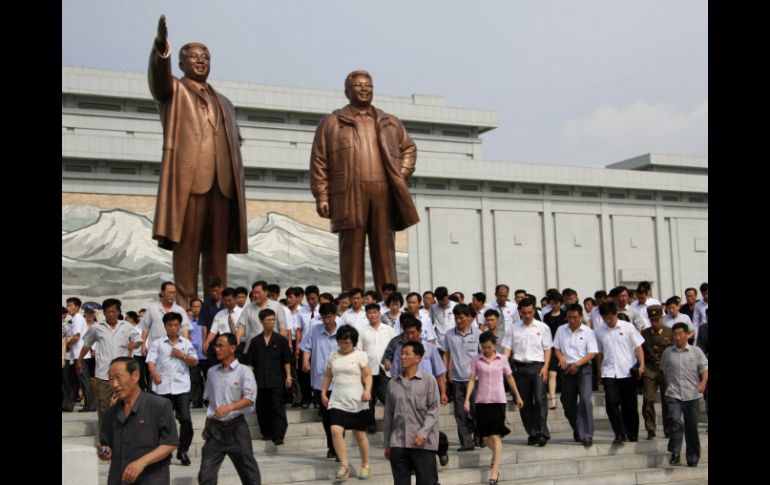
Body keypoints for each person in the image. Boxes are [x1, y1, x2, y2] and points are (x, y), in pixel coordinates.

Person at [147, 15, 248, 308]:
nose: (200, 61)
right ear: (181, 64)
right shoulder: (174, 91)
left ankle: (219, 309)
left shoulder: (225, 102)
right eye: (193, 57)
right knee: (188, 251)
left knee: (217, 255)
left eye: (205, 57)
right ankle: (186, 308)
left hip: (222, 184)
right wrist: (161, 49)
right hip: (190, 183)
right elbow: (158, 80)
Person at [310, 69, 418, 292]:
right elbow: (319, 161)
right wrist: (322, 195)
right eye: (358, 85)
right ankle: (352, 301)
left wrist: (400, 175)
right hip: (349, 193)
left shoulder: (390, 122)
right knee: (351, 249)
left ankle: (389, 302)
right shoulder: (332, 123)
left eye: (368, 85)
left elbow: (409, 148)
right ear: (347, 91)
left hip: (383, 192)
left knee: (384, 249)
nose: (364, 89)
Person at [98, 356, 178, 485]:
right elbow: (107, 445)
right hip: (118, 479)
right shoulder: (110, 413)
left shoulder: (159, 405)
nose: (114, 384)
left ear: (135, 376)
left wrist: (142, 462)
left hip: (151, 479)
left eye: (119, 378)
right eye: (111, 379)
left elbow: (170, 443)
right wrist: (105, 452)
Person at [198, 333, 261, 485]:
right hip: (216, 430)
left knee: (249, 473)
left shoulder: (244, 371)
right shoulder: (212, 372)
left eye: (221, 346)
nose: (217, 349)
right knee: (205, 475)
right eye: (216, 346)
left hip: (237, 428)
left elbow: (250, 398)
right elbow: (211, 401)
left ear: (232, 348)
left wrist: (230, 407)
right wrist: (207, 425)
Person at [464, 331, 524, 485]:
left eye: (489, 347)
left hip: (498, 401)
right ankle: (495, 455)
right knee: (485, 437)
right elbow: (472, 380)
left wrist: (517, 395)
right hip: (482, 401)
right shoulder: (476, 360)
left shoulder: (503, 359)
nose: (486, 350)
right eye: (483, 347)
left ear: (495, 345)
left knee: (496, 436)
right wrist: (466, 399)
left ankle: (494, 472)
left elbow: (509, 377)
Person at [78, 299, 143, 433]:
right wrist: (79, 360)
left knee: (124, 405)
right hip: (103, 375)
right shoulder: (97, 327)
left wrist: (133, 345)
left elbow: (138, 340)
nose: (111, 314)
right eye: (108, 312)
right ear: (104, 313)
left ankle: (123, 434)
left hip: (123, 375)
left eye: (114, 311)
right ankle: (105, 438)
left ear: (118, 312)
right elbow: (86, 344)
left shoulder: (126, 326)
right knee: (104, 407)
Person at [383, 341, 440, 485]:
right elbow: (388, 415)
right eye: (401, 354)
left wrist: (423, 432)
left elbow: (433, 410)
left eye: (407, 354)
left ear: (418, 358)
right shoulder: (393, 383)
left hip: (423, 444)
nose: (402, 357)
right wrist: (387, 444)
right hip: (398, 443)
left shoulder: (429, 381)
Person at [145, 312, 198, 466]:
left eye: (176, 325)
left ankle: (183, 450)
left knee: (186, 420)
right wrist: (155, 375)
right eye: (170, 325)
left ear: (180, 326)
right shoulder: (158, 343)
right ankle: (164, 453)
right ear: (165, 326)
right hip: (162, 388)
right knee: (164, 422)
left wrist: (182, 355)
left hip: (182, 387)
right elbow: (150, 362)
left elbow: (194, 362)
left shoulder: (185, 343)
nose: (173, 328)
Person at [320, 325, 373, 480]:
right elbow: (328, 376)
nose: (343, 345)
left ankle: (365, 464)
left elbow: (368, 375)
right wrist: (323, 392)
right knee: (335, 430)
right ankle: (344, 465)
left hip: (356, 398)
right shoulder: (333, 356)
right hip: (338, 398)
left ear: (353, 342)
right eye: (341, 342)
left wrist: (367, 390)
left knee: (359, 434)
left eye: (347, 343)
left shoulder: (360, 355)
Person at [502, 296, 553, 446]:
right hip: (519, 368)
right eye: (524, 313)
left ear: (534, 310)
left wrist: (545, 367)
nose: (527, 316)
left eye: (530, 312)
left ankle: (543, 432)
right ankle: (533, 433)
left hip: (537, 368)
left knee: (539, 399)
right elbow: (507, 348)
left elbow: (547, 348)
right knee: (523, 403)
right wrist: (503, 365)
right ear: (520, 312)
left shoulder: (542, 327)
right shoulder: (513, 328)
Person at [595, 301, 646, 444]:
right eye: (605, 318)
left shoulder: (628, 327)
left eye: (610, 317)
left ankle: (632, 432)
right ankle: (619, 433)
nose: (608, 321)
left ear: (615, 314)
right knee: (611, 404)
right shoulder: (599, 331)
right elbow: (599, 353)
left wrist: (641, 364)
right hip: (609, 372)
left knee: (629, 405)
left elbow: (638, 348)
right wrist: (599, 372)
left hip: (627, 372)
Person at [662, 323, 708, 467]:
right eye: (675, 335)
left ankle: (692, 456)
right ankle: (675, 452)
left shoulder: (696, 351)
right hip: (674, 394)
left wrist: (703, 384)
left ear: (687, 334)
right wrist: (668, 387)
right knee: (675, 420)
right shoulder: (668, 353)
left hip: (692, 395)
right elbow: (665, 372)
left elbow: (705, 370)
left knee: (692, 427)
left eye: (680, 334)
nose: (677, 337)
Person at [245, 308, 293, 445]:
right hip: (260, 381)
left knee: (278, 408)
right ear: (262, 321)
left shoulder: (281, 340)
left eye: (273, 320)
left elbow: (286, 361)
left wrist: (288, 376)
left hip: (277, 379)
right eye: (268, 320)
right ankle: (266, 432)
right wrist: (248, 380)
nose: (271, 323)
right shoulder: (255, 341)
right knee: (262, 408)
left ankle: (279, 435)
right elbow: (250, 363)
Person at [552, 304, 598, 446]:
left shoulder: (588, 331)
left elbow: (592, 353)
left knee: (585, 401)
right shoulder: (561, 330)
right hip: (567, 370)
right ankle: (578, 429)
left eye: (575, 317)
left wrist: (577, 364)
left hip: (583, 369)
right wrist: (561, 358)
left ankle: (587, 434)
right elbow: (557, 348)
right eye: (570, 317)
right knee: (568, 403)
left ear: (580, 317)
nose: (572, 320)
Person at [300, 303, 341, 459]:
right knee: (326, 417)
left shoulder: (343, 330)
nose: (327, 320)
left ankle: (338, 448)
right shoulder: (315, 330)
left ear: (335, 316)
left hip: (339, 381)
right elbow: (306, 347)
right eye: (324, 317)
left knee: (338, 417)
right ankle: (332, 446)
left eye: (329, 317)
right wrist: (305, 361)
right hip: (320, 381)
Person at [641, 305, 674, 440]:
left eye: (656, 319)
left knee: (667, 401)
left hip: (666, 370)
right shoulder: (645, 333)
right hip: (650, 370)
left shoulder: (670, 332)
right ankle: (650, 428)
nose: (654, 322)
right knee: (648, 399)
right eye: (652, 320)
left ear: (662, 318)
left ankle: (668, 429)